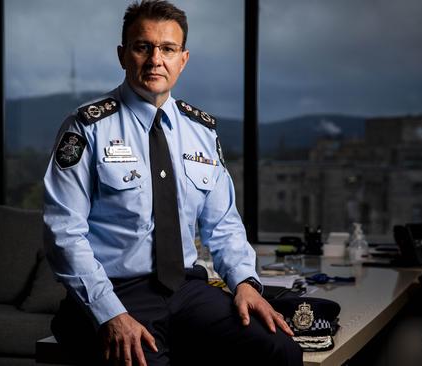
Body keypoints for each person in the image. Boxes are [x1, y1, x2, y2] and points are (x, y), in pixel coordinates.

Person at [43, 1, 303, 365]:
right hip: (118, 291)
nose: (155, 60)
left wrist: (245, 282)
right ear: (122, 55)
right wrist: (110, 314)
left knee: (280, 349)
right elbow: (64, 232)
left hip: (187, 290)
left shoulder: (201, 132)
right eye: (142, 47)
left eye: (167, 49)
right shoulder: (87, 127)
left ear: (183, 59)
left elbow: (223, 224)